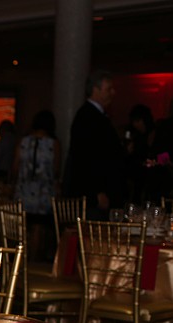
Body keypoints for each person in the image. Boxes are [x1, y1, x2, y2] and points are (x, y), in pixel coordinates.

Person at [64, 70, 126, 219]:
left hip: (100, 194)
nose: (113, 93)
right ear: (95, 90)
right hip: (94, 198)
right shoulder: (87, 117)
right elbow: (84, 157)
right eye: (108, 89)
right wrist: (95, 193)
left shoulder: (97, 116)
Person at [13, 110, 60, 261]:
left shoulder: (24, 142)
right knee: (39, 227)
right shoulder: (53, 143)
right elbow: (56, 169)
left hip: (24, 190)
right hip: (43, 192)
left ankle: (21, 257)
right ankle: (33, 259)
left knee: (22, 226)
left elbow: (15, 166)